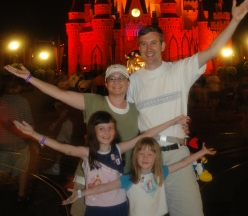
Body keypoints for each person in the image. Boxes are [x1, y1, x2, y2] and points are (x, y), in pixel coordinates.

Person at [126, 0, 248, 216]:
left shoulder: (180, 70)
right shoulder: (133, 81)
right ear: (139, 48)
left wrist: (234, 21)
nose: (149, 48)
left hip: (177, 153)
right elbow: (124, 117)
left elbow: (212, 50)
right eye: (144, 44)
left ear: (163, 45)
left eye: (154, 43)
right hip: (145, 157)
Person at [4, 63, 140, 216]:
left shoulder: (137, 110)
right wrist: (29, 78)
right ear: (106, 83)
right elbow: (59, 94)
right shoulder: (93, 102)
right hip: (90, 178)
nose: (116, 81)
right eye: (112, 78)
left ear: (128, 82)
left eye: (121, 78)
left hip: (123, 179)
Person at [13, 110, 189, 216]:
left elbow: (145, 135)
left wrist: (173, 121)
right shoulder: (87, 153)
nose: (107, 132)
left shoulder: (119, 149)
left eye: (110, 128)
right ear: (93, 131)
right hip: (96, 208)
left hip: (120, 206)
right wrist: (34, 134)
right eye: (101, 128)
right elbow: (62, 147)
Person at [62, 137, 216, 216]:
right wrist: (82, 193)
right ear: (135, 156)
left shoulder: (161, 172)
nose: (145, 157)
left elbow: (183, 162)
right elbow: (105, 187)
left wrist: (201, 152)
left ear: (156, 157)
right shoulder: (129, 178)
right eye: (141, 153)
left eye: (150, 153)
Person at [0, 74, 35, 203]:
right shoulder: (23, 102)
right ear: (19, 87)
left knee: (1, 171)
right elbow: (29, 123)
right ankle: (20, 195)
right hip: (20, 144)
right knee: (22, 170)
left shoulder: (1, 101)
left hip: (2, 145)